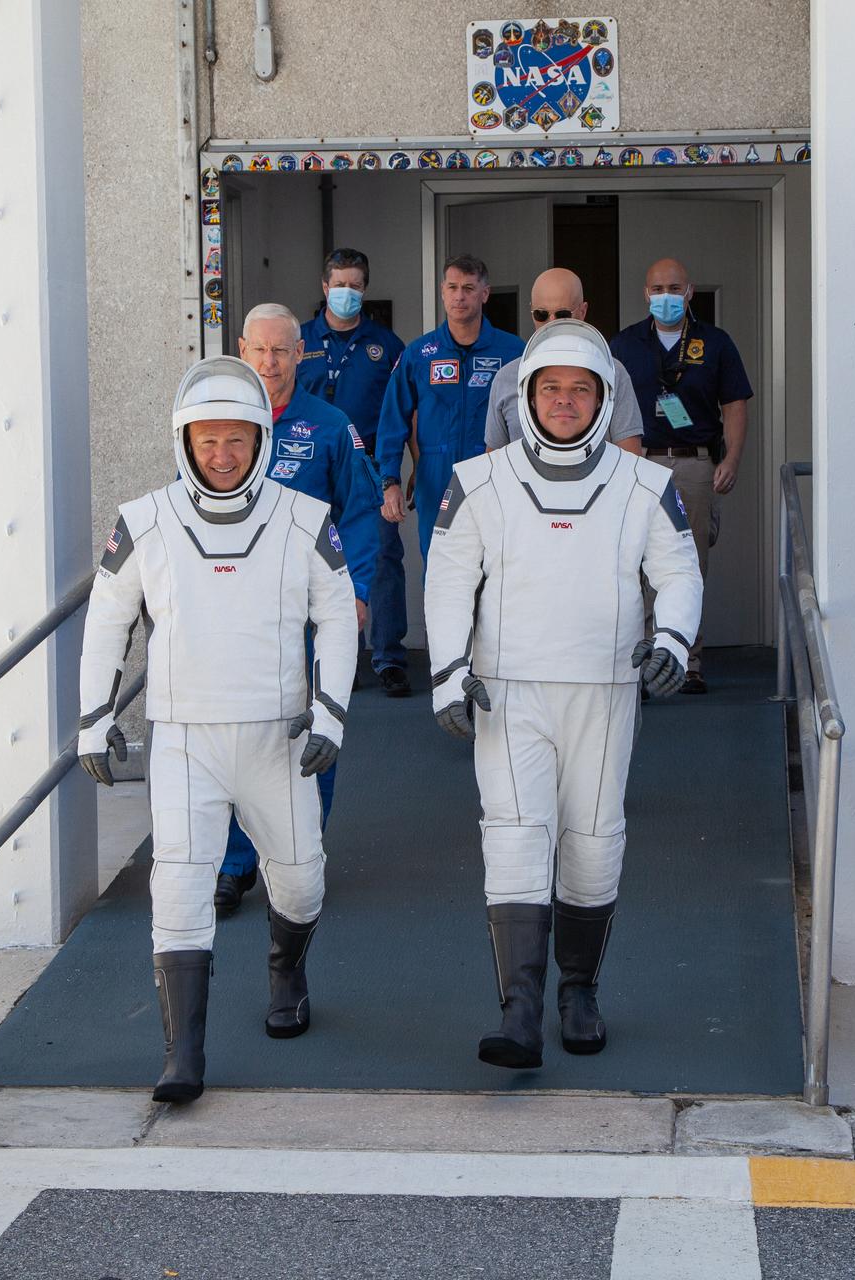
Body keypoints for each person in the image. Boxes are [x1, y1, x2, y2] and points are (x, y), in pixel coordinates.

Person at [77, 355, 358, 1102]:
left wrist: (330, 710)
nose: (223, 455)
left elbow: (336, 616)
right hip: (184, 737)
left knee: (300, 882)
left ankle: (286, 968)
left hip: (280, 736)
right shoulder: (144, 522)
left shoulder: (306, 518)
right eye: (208, 440)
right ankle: (183, 1056)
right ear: (185, 441)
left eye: (238, 439)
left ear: (262, 439)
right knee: (178, 887)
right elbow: (106, 624)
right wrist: (94, 718)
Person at [424, 320, 702, 1070]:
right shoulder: (477, 480)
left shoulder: (646, 484)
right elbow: (449, 580)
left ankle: (579, 988)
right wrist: (448, 671)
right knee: (514, 836)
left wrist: (673, 640)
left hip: (606, 688)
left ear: (606, 398)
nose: (566, 402)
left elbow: (678, 573)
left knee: (592, 840)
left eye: (582, 389)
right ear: (527, 397)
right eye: (551, 389)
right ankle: (520, 1012)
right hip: (507, 691)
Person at [211, 303, 382, 916]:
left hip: (311, 611)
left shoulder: (331, 427)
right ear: (242, 350)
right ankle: (233, 866)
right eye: (259, 349)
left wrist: (357, 593)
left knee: (315, 730)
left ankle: (302, 848)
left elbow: (360, 514)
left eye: (282, 350)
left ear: (300, 353)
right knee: (239, 735)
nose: (270, 362)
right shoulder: (221, 426)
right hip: (238, 614)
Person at [610, 257, 752, 694]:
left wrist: (731, 460)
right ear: (645, 293)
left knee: (689, 563)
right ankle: (640, 659)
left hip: (693, 463)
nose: (665, 296)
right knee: (634, 561)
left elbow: (735, 405)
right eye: (657, 288)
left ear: (689, 292)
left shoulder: (716, 343)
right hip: (638, 463)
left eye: (674, 288)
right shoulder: (624, 344)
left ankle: (687, 662)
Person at [296, 249, 410, 697]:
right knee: (310, 564)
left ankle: (388, 657)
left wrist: (397, 476)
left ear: (365, 289)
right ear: (325, 287)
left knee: (380, 561)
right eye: (339, 283)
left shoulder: (387, 346)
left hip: (367, 474)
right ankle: (320, 660)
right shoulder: (298, 341)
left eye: (356, 285)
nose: (347, 292)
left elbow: (403, 415)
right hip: (310, 470)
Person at [375, 255, 524, 572]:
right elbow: (391, 421)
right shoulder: (419, 353)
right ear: (442, 291)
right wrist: (390, 481)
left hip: (494, 477)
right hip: (437, 479)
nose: (460, 296)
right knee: (441, 570)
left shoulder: (514, 352)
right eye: (453, 287)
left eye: (469, 288)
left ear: (485, 293)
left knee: (498, 569)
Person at [485, 267, 643, 456]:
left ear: (583, 311)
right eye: (541, 314)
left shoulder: (612, 372)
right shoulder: (507, 376)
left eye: (562, 314)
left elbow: (630, 459)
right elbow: (494, 462)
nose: (552, 323)